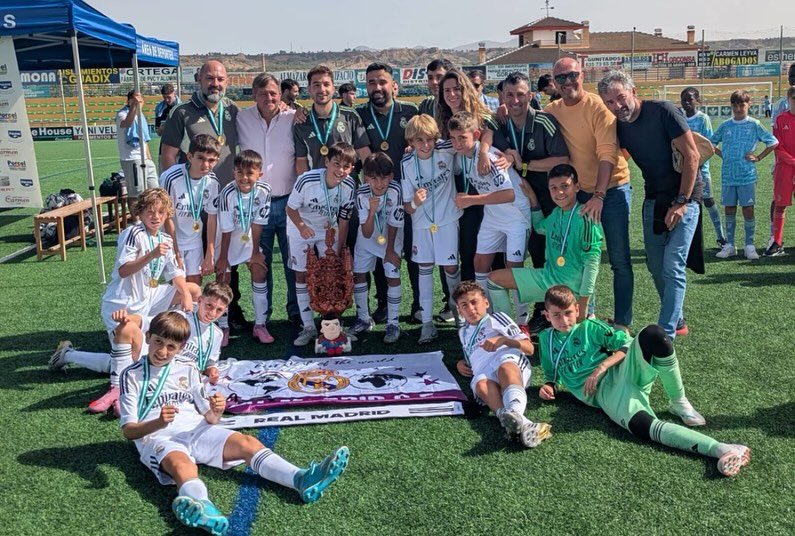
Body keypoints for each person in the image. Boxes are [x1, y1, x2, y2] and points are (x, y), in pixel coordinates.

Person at [119, 311, 349, 534]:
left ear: (180, 348)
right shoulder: (131, 375)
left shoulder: (187, 369)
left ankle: (301, 479)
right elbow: (129, 431)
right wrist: (159, 422)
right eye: (158, 342)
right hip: (158, 437)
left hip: (196, 429)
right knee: (183, 467)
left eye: (171, 346)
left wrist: (216, 410)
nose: (163, 351)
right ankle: (203, 508)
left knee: (247, 443)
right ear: (148, 337)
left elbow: (209, 417)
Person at [538, 285, 750, 478]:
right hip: (607, 395)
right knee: (642, 426)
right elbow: (551, 374)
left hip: (622, 371)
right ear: (546, 315)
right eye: (556, 315)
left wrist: (601, 367)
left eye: (568, 313)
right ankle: (722, 449)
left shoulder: (590, 327)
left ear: (577, 309)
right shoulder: (546, 340)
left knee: (654, 334)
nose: (564, 320)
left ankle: (679, 402)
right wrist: (548, 385)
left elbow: (627, 344)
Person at [598, 70, 700, 339]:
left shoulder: (663, 111)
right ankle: (678, 321)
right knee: (655, 266)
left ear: (633, 91)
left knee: (672, 264)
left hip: (685, 197)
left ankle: (665, 334)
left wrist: (681, 201)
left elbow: (692, 156)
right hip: (654, 198)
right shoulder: (618, 126)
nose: (617, 106)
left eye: (621, 97)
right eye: (610, 102)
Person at [93, 188, 199, 415]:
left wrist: (187, 296)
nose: (156, 217)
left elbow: (175, 274)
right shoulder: (133, 233)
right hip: (121, 304)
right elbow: (123, 271)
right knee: (135, 357)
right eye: (150, 212)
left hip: (147, 300)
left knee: (192, 288)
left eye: (161, 212)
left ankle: (189, 344)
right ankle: (113, 385)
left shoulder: (165, 239)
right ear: (139, 213)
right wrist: (151, 255)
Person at [546, 58, 633, 333]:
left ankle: (621, 324)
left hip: (613, 190)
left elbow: (608, 155)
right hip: (582, 193)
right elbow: (526, 116)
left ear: (582, 75)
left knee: (618, 260)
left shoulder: (598, 107)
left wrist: (599, 195)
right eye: (561, 78)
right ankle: (587, 317)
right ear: (554, 82)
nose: (567, 82)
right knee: (582, 259)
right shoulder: (552, 110)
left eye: (572, 75)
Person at [160, 60, 247, 329]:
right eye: (210, 78)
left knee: (226, 260)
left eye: (220, 79)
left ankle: (227, 312)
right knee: (192, 265)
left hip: (226, 200)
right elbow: (168, 155)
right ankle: (189, 317)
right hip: (193, 205)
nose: (215, 84)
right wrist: (179, 192)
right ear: (199, 79)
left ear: (227, 81)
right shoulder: (182, 112)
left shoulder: (232, 109)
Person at [493, 71, 569, 327]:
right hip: (512, 201)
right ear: (502, 97)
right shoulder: (500, 123)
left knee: (542, 253)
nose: (515, 100)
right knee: (512, 255)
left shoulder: (544, 121)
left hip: (544, 198)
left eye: (521, 95)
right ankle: (512, 313)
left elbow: (562, 159)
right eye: (510, 95)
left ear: (531, 96)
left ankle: (545, 310)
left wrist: (524, 165)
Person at [50, 281, 230, 385]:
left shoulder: (217, 334)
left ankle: (67, 355)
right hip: (155, 360)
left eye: (219, 310)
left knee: (115, 364)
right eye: (209, 306)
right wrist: (127, 320)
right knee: (124, 366)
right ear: (200, 300)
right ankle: (69, 356)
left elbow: (209, 363)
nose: (212, 313)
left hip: (177, 376)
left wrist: (212, 371)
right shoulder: (181, 316)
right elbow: (145, 321)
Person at [487, 164, 602, 323]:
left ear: (577, 187)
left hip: (572, 290)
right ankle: (508, 330)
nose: (559, 192)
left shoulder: (586, 216)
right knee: (494, 279)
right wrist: (533, 200)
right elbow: (540, 227)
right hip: (547, 279)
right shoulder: (557, 213)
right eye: (553, 188)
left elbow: (592, 264)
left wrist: (583, 303)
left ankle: (587, 316)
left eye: (565, 186)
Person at [448, 111, 532, 321]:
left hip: (515, 215)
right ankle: (488, 317)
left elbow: (509, 194)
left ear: (474, 135)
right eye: (453, 138)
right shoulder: (461, 155)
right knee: (480, 264)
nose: (457, 143)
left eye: (462, 138)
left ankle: (521, 321)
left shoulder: (492, 157)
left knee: (514, 270)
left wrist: (471, 200)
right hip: (493, 216)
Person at [356, 62, 420, 322]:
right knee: (382, 247)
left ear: (394, 84)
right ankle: (382, 304)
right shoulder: (358, 114)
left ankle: (418, 304)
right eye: (372, 82)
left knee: (414, 249)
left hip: (410, 193)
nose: (377, 87)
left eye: (382, 82)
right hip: (380, 194)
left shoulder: (410, 110)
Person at [452, 281, 552, 448]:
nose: (470, 309)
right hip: (483, 371)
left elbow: (529, 349)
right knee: (481, 384)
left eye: (474, 302)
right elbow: (471, 357)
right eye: (464, 305)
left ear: (486, 302)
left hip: (506, 360)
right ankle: (522, 424)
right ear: (459, 310)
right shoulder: (462, 333)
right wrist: (460, 364)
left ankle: (515, 413)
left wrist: (503, 340)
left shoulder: (497, 318)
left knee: (505, 367)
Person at [237, 73, 301, 326]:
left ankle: (296, 311)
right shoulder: (241, 118)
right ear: (254, 96)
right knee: (259, 262)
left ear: (280, 93)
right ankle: (263, 317)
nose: (269, 97)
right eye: (263, 93)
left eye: (273, 92)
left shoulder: (292, 117)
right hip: (256, 205)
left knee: (293, 260)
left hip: (288, 201)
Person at [287, 142, 357, 345]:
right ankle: (308, 326)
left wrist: (339, 249)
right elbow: (290, 209)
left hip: (329, 229)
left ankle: (334, 327)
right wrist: (301, 227)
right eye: (336, 164)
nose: (341, 170)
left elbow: (344, 219)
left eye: (346, 167)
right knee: (302, 274)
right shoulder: (306, 180)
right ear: (327, 162)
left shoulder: (350, 185)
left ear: (352, 168)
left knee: (335, 274)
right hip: (301, 226)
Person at [401, 114, 461, 344]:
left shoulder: (446, 149)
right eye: (419, 141)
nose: (425, 145)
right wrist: (415, 201)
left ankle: (459, 318)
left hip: (447, 220)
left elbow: (468, 142)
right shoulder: (406, 163)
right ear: (411, 142)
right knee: (424, 267)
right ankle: (427, 323)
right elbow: (408, 207)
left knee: (450, 266)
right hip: (421, 224)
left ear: (436, 137)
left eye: (429, 139)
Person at [711, 90, 778, 260]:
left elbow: (773, 142)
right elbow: (711, 143)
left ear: (749, 105)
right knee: (730, 208)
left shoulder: (754, 124)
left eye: (742, 105)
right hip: (728, 175)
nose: (738, 109)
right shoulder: (726, 125)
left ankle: (749, 245)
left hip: (747, 174)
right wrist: (722, 154)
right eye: (735, 105)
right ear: (731, 106)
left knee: (748, 209)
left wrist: (759, 157)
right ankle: (731, 245)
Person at [216, 151, 273, 345]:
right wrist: (223, 258)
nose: (244, 177)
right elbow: (225, 229)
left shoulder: (264, 190)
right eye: (240, 172)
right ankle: (223, 326)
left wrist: (255, 252)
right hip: (227, 240)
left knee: (259, 271)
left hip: (249, 238)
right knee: (223, 277)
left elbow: (258, 224)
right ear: (233, 172)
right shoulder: (227, 193)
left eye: (250, 173)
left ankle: (260, 325)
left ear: (260, 175)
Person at [351, 153, 404, 343]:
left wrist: (390, 251)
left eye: (384, 178)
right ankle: (363, 318)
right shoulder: (361, 193)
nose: (379, 183)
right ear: (366, 178)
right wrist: (372, 211)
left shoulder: (396, 189)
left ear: (391, 176)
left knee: (392, 276)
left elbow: (394, 223)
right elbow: (365, 232)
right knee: (359, 274)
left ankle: (393, 323)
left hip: (391, 237)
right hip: (367, 238)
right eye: (374, 178)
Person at [160, 134, 221, 287]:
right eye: (200, 158)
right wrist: (176, 251)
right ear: (189, 156)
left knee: (194, 286)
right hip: (171, 240)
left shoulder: (212, 182)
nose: (205, 165)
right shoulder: (170, 178)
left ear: (217, 161)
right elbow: (166, 217)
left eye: (211, 160)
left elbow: (212, 218)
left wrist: (210, 253)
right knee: (177, 288)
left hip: (194, 240)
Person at [293, 66, 371, 174]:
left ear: (333, 88)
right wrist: (306, 185)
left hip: (347, 185)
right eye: (316, 85)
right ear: (309, 89)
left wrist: (369, 180)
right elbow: (301, 160)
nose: (322, 89)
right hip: (317, 187)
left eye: (326, 84)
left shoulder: (350, 116)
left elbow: (364, 152)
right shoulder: (302, 122)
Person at [680, 87, 726, 247]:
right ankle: (687, 239)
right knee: (685, 201)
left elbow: (708, 144)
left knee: (708, 201)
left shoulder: (703, 119)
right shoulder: (679, 117)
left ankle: (720, 236)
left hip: (700, 169)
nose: (686, 102)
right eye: (683, 99)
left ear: (697, 101)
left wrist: (697, 163)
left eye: (690, 99)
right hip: (683, 170)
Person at [116, 90, 159, 216]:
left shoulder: (141, 117)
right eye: (135, 100)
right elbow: (127, 123)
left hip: (145, 158)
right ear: (129, 101)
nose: (138, 103)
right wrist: (134, 107)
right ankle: (136, 220)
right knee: (136, 192)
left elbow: (144, 140)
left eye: (140, 100)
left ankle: (152, 215)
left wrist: (149, 157)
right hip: (132, 158)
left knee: (155, 189)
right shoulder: (122, 114)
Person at [768, 86, 795, 256]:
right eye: (794, 98)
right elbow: (777, 146)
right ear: (788, 99)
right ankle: (777, 242)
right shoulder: (780, 119)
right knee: (780, 205)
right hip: (785, 168)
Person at [154, 83, 181, 174]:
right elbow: (158, 132)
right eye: (164, 97)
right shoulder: (159, 108)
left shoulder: (182, 108)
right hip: (165, 147)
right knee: (164, 176)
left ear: (174, 93)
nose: (166, 100)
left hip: (180, 149)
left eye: (168, 97)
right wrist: (161, 128)